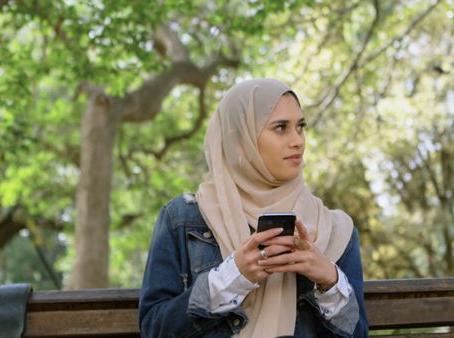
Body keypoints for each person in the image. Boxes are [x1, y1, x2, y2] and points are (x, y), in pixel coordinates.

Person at [139, 78, 368, 337]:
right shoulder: (182, 218)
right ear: (239, 141)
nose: (298, 141)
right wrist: (231, 278)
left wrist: (329, 280)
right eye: (281, 127)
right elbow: (154, 329)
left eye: (300, 127)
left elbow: (357, 333)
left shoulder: (336, 229)